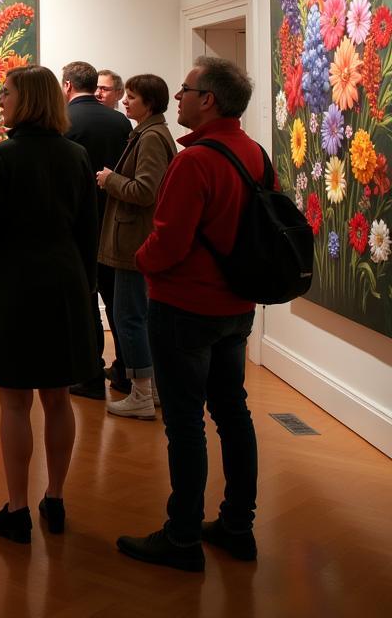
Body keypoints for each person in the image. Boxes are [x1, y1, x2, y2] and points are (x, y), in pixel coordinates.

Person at [117, 56, 261, 572]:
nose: (177, 97)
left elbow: (169, 243)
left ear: (210, 101)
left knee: (185, 424)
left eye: (185, 90)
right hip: (236, 308)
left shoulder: (195, 161)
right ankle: (237, 525)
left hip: (184, 309)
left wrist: (139, 260)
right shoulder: (253, 153)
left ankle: (181, 537)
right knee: (233, 413)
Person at [0, 66, 100, 544]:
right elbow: (88, 234)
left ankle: (17, 509)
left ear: (28, 100)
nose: (1, 101)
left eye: (8, 93)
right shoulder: (78, 156)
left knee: (14, 403)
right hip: (63, 284)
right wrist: (86, 290)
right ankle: (54, 498)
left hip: (14, 286)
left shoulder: (3, 157)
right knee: (58, 398)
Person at [95, 74, 176, 420]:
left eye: (132, 97)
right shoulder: (148, 133)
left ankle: (141, 392)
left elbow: (146, 190)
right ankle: (150, 388)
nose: (125, 102)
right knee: (135, 316)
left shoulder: (152, 138)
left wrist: (109, 179)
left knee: (129, 317)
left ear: (150, 103)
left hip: (133, 241)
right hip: (133, 237)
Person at [62, 60, 133, 399]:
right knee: (119, 304)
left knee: (86, 303)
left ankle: (90, 376)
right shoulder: (120, 121)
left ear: (67, 86)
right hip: (116, 223)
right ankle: (126, 372)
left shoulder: (64, 121)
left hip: (79, 226)